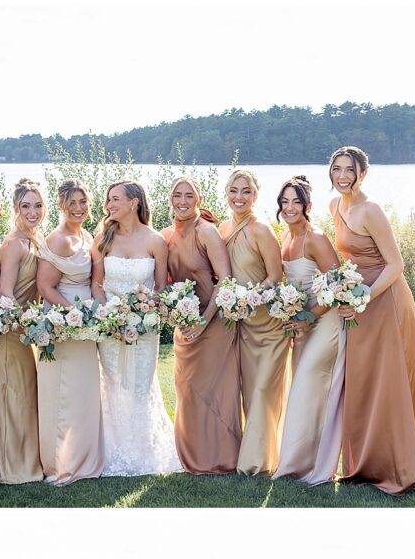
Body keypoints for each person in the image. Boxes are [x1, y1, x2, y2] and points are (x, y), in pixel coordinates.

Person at [329, 146, 415, 493]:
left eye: (349, 170)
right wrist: (342, 290)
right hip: (357, 301)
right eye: (336, 168)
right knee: (365, 380)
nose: (342, 175)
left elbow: (395, 264)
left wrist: (364, 298)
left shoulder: (371, 210)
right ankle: (367, 464)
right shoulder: (336, 206)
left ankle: (403, 465)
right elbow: (349, 257)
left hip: (386, 299)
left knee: (392, 380)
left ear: (362, 174)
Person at [91, 182, 181, 476]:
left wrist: (143, 312)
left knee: (140, 387)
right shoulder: (103, 238)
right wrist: (108, 313)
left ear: (134, 203)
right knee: (113, 384)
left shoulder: (155, 241)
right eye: (108, 200)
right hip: (110, 325)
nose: (108, 205)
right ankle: (114, 452)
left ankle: (143, 453)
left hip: (145, 329)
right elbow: (96, 283)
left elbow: (161, 287)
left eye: (115, 199)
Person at [162, 177, 242, 474]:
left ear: (199, 199)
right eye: (177, 195)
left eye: (188, 196)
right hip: (185, 326)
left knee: (214, 391)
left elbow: (226, 280)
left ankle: (221, 459)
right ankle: (191, 456)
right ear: (170, 198)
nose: (182, 201)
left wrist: (204, 321)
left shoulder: (207, 232)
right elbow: (166, 282)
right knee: (186, 388)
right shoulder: (166, 235)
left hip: (215, 323)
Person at [271, 177, 345, 485]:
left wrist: (309, 317)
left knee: (306, 385)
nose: (289, 207)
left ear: (308, 206)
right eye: (284, 202)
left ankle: (309, 465)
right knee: (302, 389)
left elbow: (338, 285)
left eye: (295, 202)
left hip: (325, 324)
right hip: (303, 325)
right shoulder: (285, 239)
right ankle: (298, 461)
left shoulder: (316, 238)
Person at [219, 170, 291, 476]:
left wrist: (249, 298)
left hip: (269, 325)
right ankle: (262, 454)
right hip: (243, 328)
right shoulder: (222, 229)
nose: (239, 197)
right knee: (250, 394)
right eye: (234, 190)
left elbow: (275, 277)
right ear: (226, 193)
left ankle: (256, 462)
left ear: (255, 195)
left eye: (246, 191)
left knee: (264, 392)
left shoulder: (262, 230)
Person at [36, 180, 104, 485]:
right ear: (61, 205)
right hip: (65, 324)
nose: (78, 208)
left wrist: (91, 314)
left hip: (85, 323)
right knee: (64, 393)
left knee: (84, 393)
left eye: (83, 202)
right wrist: (73, 314)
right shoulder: (58, 239)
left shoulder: (85, 235)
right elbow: (45, 287)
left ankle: (84, 455)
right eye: (71, 202)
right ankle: (60, 462)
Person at [0, 179, 45, 485]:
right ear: (15, 209)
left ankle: (27, 460)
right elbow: (5, 293)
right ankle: (9, 468)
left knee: (25, 397)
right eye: (26, 206)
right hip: (11, 332)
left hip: (27, 332)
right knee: (12, 396)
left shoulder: (35, 240)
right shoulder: (13, 244)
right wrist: (28, 321)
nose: (33, 212)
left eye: (37, 205)